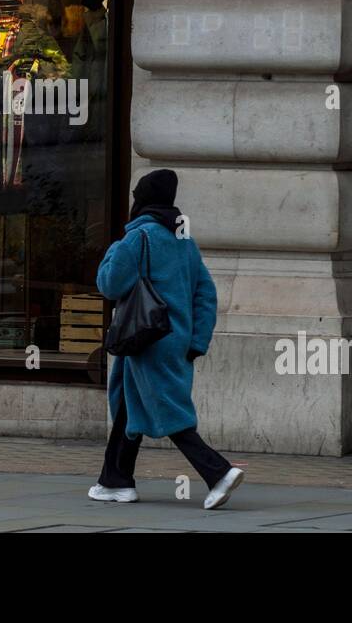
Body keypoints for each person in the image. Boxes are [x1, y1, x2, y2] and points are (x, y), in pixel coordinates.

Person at [89, 168, 245, 510]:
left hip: (145, 339)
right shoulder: (184, 241)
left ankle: (218, 473)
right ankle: (115, 481)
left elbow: (109, 285)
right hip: (174, 339)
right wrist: (196, 341)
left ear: (141, 200)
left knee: (169, 412)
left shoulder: (137, 238)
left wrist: (115, 249)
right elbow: (206, 293)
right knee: (131, 409)